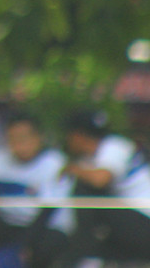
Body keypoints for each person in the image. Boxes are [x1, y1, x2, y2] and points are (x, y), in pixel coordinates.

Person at [45, 109, 150, 265]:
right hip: (133, 223)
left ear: (77, 135)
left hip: (144, 222)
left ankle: (85, 250)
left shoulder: (114, 146)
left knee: (85, 189)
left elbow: (101, 179)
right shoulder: (93, 156)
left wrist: (73, 169)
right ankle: (88, 252)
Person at [0, 112, 66, 267]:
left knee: (44, 246)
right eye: (12, 139)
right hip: (6, 225)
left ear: (38, 137)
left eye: (23, 138)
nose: (19, 145)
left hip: (42, 228)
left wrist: (25, 245)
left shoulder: (55, 163)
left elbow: (48, 210)